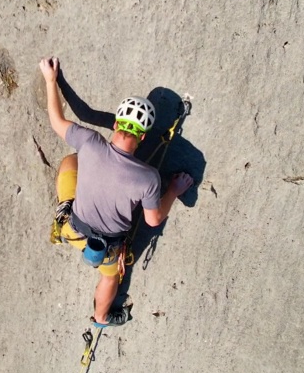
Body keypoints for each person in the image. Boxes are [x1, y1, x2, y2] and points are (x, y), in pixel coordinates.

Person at [39, 57, 193, 327]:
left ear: (116, 125)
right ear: (143, 137)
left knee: (69, 162)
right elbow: (153, 220)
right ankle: (100, 317)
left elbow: (56, 120)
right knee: (110, 277)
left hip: (73, 230)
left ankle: (66, 209)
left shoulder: (89, 142)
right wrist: (174, 190)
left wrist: (51, 80)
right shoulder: (149, 178)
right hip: (109, 248)